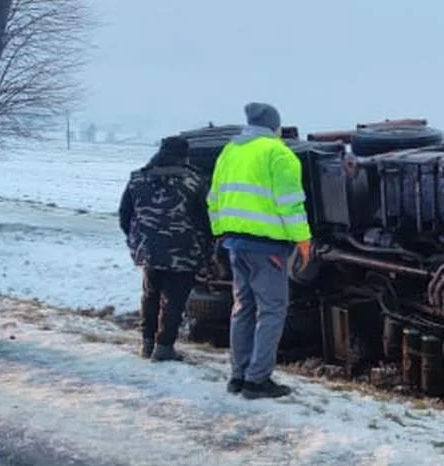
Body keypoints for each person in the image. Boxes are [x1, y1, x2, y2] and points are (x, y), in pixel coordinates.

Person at [208, 102, 312, 400]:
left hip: (235, 245)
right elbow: (290, 204)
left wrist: (220, 232)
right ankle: (258, 380)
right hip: (267, 248)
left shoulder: (230, 151)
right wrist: (303, 241)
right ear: (274, 126)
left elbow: (213, 198)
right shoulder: (278, 153)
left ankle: (238, 376)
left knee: (242, 309)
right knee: (272, 311)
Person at [118, 136, 213, 362]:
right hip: (183, 250)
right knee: (174, 300)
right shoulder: (194, 181)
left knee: (150, 295)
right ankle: (164, 347)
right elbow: (206, 219)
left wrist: (137, 239)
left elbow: (124, 215)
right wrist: (206, 245)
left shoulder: (137, 178)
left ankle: (147, 343)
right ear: (184, 155)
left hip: (148, 249)